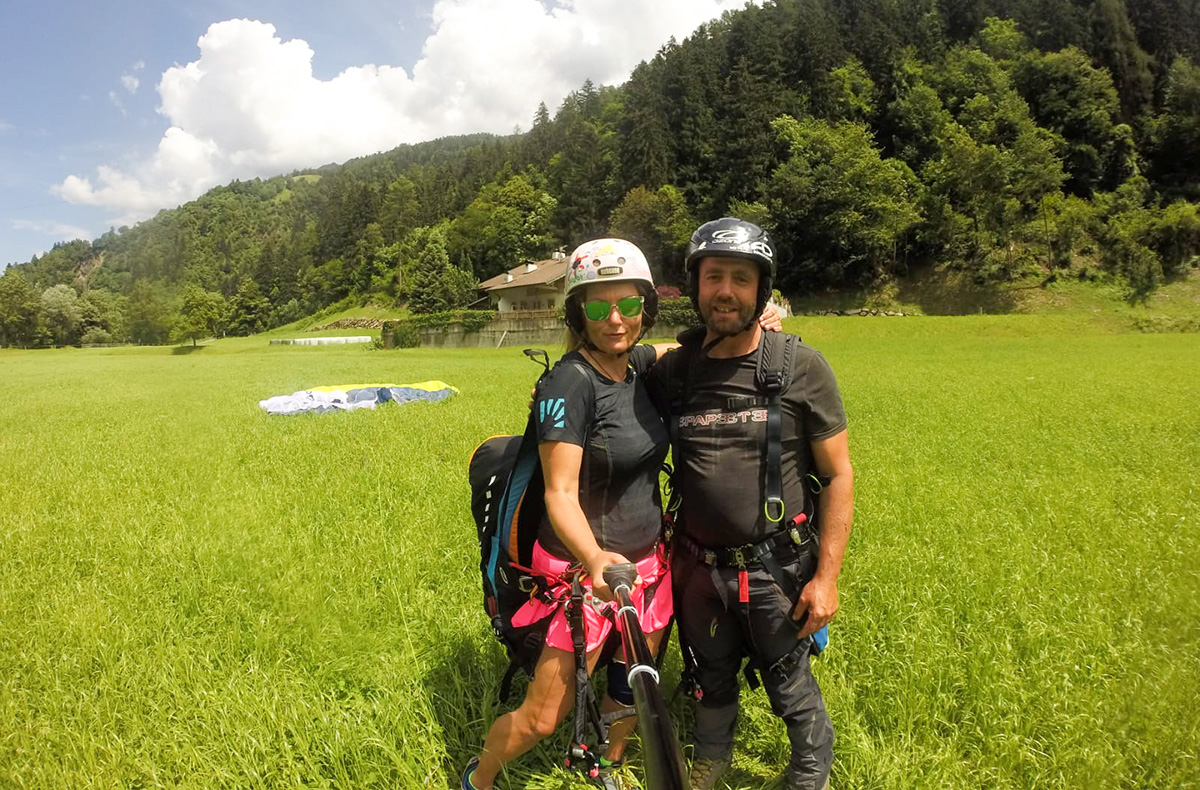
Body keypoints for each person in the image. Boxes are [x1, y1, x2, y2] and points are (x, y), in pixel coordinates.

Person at [645, 217, 854, 790]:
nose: (726, 291)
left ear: (761, 290)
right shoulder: (676, 371)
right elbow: (614, 374)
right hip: (697, 567)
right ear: (695, 286)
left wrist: (827, 578)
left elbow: (837, 475)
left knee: (789, 682)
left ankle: (809, 775)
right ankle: (711, 765)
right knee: (709, 676)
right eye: (714, 277)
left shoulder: (799, 368)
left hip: (773, 567)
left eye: (741, 279)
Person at [461, 239, 676, 790]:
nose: (615, 320)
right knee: (543, 717)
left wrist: (758, 328)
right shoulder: (569, 383)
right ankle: (478, 778)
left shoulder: (636, 368)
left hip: (648, 571)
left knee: (632, 685)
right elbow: (559, 493)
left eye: (628, 306)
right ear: (577, 312)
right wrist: (595, 558)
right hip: (586, 576)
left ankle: (607, 764)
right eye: (598, 307)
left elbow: (683, 348)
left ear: (645, 309)